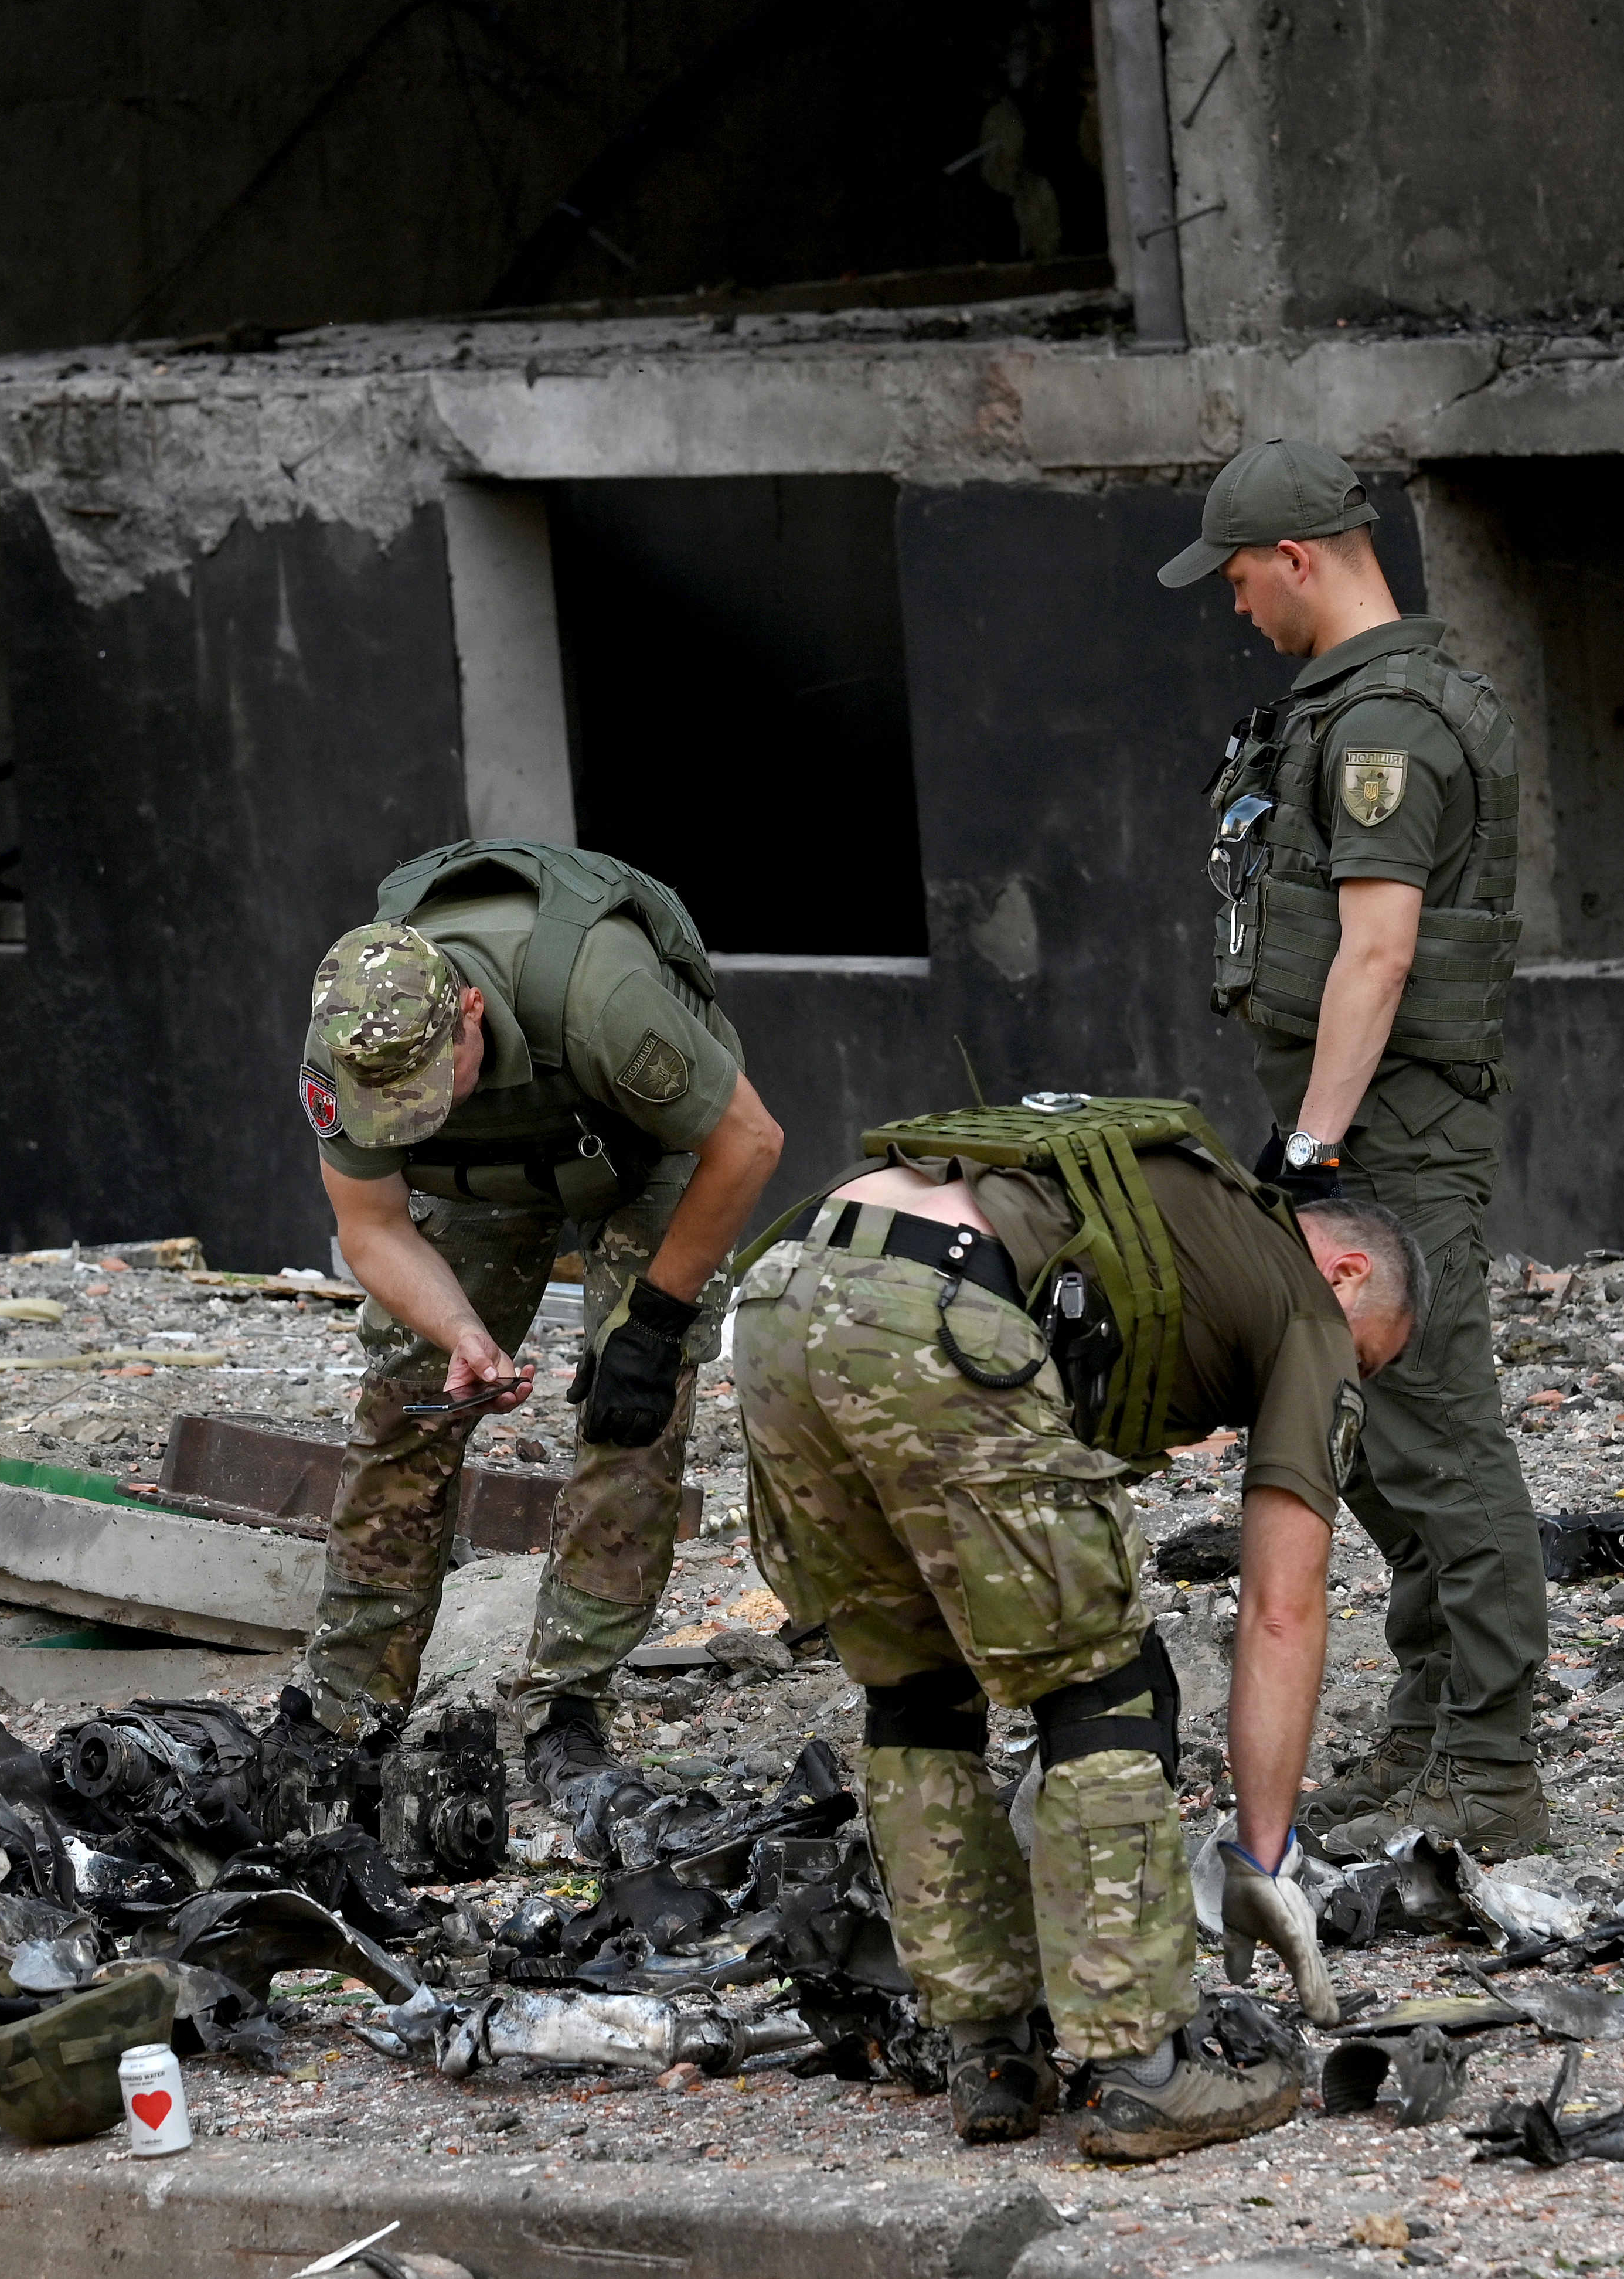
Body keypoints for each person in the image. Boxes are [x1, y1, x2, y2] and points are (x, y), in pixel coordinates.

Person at [733, 1100, 1424, 2159]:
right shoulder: (1309, 1311)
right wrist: (1263, 1850)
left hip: (784, 1289)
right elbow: (1284, 1604)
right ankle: (1140, 2071)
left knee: (916, 1688)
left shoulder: (1183, 1216)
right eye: (1369, 1365)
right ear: (1345, 1276)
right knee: (1103, 1686)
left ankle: (991, 2054)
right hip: (942, 1305)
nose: (1351, 1382)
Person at [1169, 436, 1548, 1856]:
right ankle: (1431, 1723)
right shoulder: (1348, 707)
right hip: (1350, 1122)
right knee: (1378, 1439)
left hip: (1390, 1126)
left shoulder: (1389, 726)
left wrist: (1317, 1144)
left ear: (1299, 559)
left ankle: (1496, 1775)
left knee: (1442, 1437)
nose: (1233, 605)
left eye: (1239, 575)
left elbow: (1379, 953)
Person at [291, 840, 784, 1797]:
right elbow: (371, 1223)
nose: (411, 1111)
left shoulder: (600, 995)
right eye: (391, 1104)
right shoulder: (347, 1038)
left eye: (433, 1084)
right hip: (478, 1178)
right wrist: (460, 1334)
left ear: (469, 1011)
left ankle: (569, 1707)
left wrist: (651, 1324)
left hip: (638, 1147)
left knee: (630, 1408)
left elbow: (748, 1142)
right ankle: (349, 1702)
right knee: (404, 1400)